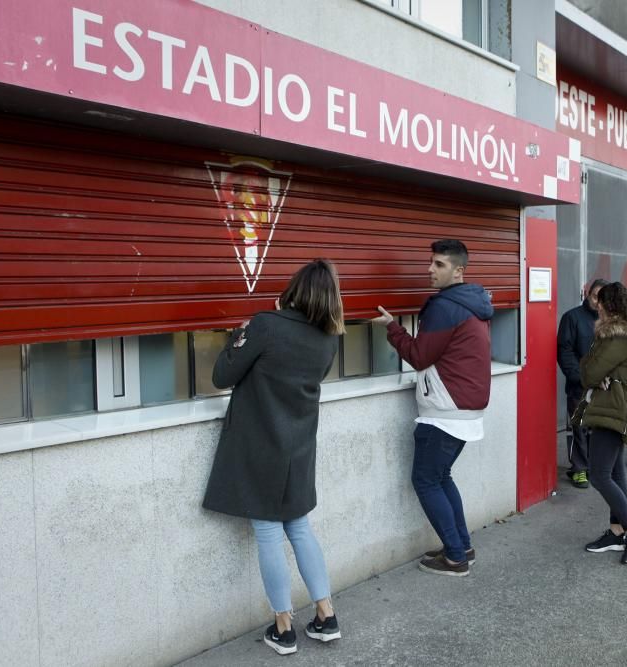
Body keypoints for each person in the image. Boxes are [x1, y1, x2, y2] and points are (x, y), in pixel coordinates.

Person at [203, 259, 346, 656]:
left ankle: (283, 628)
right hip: (298, 445)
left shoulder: (265, 325)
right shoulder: (329, 337)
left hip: (260, 445)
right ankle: (325, 615)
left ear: (295, 289)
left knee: (268, 532)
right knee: (299, 526)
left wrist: (240, 335)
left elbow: (221, 376)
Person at [371, 239, 493, 577]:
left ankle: (455, 557)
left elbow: (420, 356)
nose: (429, 269)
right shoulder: (472, 303)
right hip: (465, 409)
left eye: (438, 264)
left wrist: (392, 328)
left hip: (445, 410)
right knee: (441, 476)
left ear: (458, 270)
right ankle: (462, 545)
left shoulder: (445, 306)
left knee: (425, 480)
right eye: (431, 262)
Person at [573, 282, 627, 564]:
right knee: (615, 471)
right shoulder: (618, 333)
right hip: (612, 406)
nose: (595, 304)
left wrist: (594, 372)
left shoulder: (618, 337)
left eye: (599, 300)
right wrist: (596, 373)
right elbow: (593, 370)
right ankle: (616, 531)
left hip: (615, 409)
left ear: (610, 306)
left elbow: (588, 371)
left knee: (599, 475)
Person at [557, 279, 608, 488]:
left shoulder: (612, 321)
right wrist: (578, 376)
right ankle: (579, 468)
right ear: (587, 294)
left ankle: (594, 467)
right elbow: (564, 351)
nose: (599, 302)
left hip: (605, 386)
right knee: (579, 427)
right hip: (580, 384)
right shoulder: (572, 317)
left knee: (600, 428)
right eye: (596, 297)